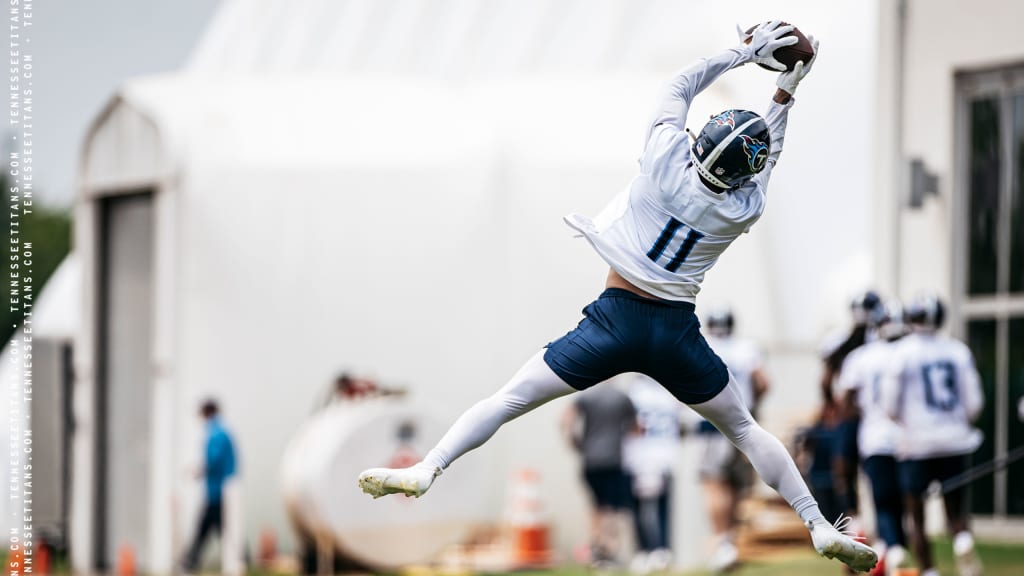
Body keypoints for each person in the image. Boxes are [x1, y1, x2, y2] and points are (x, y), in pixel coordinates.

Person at [357, 22, 877, 573]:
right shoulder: (741, 209)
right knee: (745, 429)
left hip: (614, 320)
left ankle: (428, 468)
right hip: (674, 332)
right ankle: (817, 522)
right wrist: (785, 93)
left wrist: (742, 54)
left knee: (508, 400)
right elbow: (767, 155)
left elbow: (680, 85)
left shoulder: (663, 161)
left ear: (700, 140)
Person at [881, 294, 984, 576]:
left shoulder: (902, 352)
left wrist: (907, 423)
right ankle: (962, 539)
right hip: (955, 440)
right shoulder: (957, 351)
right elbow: (974, 401)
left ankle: (929, 571)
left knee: (916, 515)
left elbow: (889, 404)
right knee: (956, 509)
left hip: (916, 443)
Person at [836, 301, 910, 573]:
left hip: (876, 437)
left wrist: (865, 410)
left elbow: (845, 400)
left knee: (884, 502)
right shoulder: (912, 352)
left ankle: (892, 548)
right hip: (909, 438)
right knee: (904, 500)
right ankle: (896, 546)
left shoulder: (862, 357)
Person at [699, 307, 770, 573]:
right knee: (738, 485)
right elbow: (763, 382)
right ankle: (730, 540)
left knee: (715, 484)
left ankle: (722, 543)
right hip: (742, 422)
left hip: (711, 424)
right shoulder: (747, 348)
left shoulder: (702, 345)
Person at [562, 385, 637, 567]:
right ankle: (607, 550)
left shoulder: (586, 396)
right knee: (611, 507)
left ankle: (596, 548)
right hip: (613, 460)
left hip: (590, 460)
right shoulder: (622, 396)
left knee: (596, 505)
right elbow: (635, 427)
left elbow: (566, 420)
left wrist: (576, 443)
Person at [622, 374, 684, 573]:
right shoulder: (667, 391)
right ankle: (661, 549)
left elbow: (632, 426)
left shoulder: (635, 392)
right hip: (664, 452)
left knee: (640, 506)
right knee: (661, 505)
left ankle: (646, 550)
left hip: (642, 453)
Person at [184, 399, 239, 573]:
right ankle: (190, 561)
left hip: (218, 491)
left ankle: (189, 562)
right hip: (219, 490)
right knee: (223, 528)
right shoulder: (221, 431)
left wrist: (197, 471)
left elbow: (213, 462)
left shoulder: (216, 434)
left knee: (210, 528)